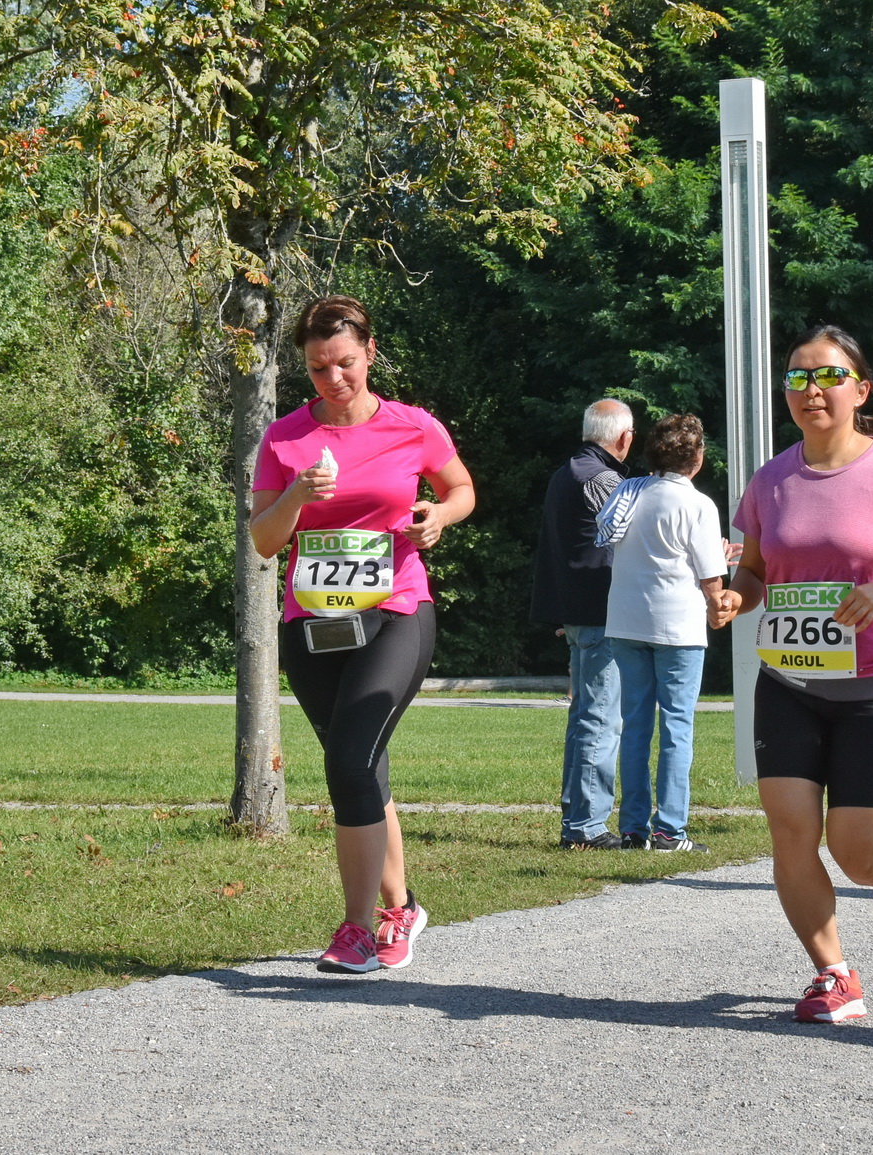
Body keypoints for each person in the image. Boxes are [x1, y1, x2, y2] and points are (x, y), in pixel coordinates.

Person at [714, 324, 873, 1024]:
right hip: (788, 682)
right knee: (791, 831)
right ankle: (834, 973)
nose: (812, 390)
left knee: (855, 847)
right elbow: (755, 570)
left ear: (861, 390)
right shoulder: (771, 479)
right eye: (798, 377)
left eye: (828, 376)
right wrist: (736, 597)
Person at [249, 295, 475, 974]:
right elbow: (264, 539)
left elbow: (461, 489)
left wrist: (438, 517)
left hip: (396, 612)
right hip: (313, 626)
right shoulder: (284, 437)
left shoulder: (412, 426)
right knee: (362, 768)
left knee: (349, 761)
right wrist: (297, 497)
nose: (333, 378)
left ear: (370, 352)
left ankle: (356, 930)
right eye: (318, 367)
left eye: (345, 362)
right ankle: (401, 907)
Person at [594, 414, 732, 853]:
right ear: (697, 458)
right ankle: (670, 830)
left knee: (635, 726)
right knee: (676, 727)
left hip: (625, 621)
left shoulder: (628, 494)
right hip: (678, 627)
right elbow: (711, 577)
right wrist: (719, 605)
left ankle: (633, 829)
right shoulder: (697, 504)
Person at [529, 400, 635, 850]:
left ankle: (576, 819)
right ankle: (587, 826)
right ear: (624, 437)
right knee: (600, 719)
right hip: (601, 614)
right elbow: (635, 537)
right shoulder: (603, 479)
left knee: (584, 717)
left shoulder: (566, 472)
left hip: (575, 610)